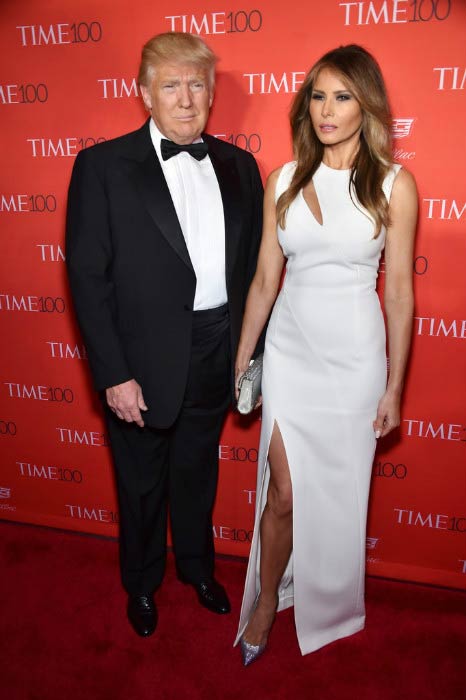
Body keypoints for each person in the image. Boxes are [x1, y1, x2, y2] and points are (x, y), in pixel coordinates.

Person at [66, 32, 263, 638]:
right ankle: (142, 583)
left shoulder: (239, 165)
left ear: (211, 93)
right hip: (141, 360)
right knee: (141, 483)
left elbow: (256, 269)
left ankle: (199, 569)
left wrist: (249, 357)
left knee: (198, 471)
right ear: (144, 92)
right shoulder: (103, 166)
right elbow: (88, 277)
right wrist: (113, 374)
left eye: (197, 84)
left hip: (217, 348)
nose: (186, 99)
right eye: (171, 85)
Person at [234, 44, 418, 664]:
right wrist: (242, 358)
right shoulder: (282, 180)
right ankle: (266, 601)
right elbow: (264, 278)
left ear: (366, 105)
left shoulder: (395, 183)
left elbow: (398, 292)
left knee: (339, 492)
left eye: (342, 96)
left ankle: (330, 598)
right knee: (282, 490)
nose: (327, 110)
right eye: (317, 95)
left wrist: (394, 387)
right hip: (290, 351)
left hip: (354, 358)